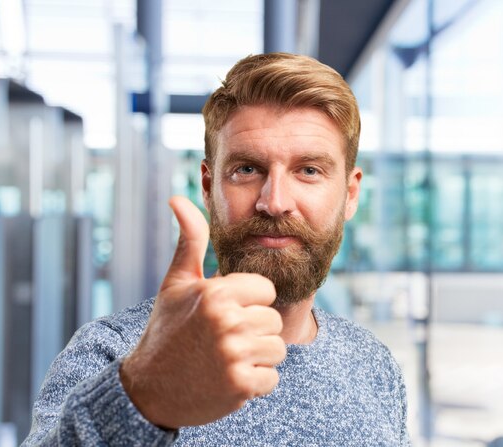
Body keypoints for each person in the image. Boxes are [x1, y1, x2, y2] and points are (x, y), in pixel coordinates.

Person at [23, 52, 410, 446]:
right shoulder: (115, 354)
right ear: (208, 189)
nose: (275, 202)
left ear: (350, 194)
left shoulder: (373, 365)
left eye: (309, 170)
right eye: (246, 169)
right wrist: (144, 397)